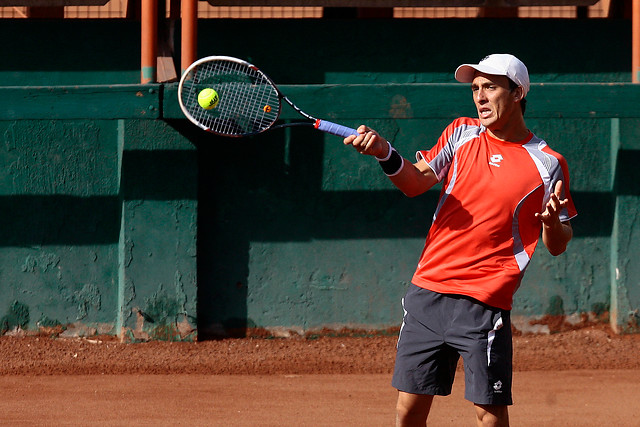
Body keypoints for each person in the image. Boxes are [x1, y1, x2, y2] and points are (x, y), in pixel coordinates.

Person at [343, 53, 577, 427]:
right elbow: (415, 182)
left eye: (490, 87)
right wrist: (385, 153)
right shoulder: (461, 133)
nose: (480, 97)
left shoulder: (548, 162)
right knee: (408, 412)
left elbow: (559, 242)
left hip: (484, 303)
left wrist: (550, 224)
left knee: (489, 415)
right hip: (429, 292)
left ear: (517, 93)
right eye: (475, 89)